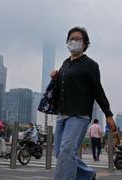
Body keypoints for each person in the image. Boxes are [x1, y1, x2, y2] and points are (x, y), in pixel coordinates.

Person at [50, 26, 119, 180]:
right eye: (71, 38)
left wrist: (108, 114)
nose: (74, 41)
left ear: (85, 44)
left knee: (67, 151)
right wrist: (56, 75)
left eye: (78, 39)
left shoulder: (90, 65)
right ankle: (88, 174)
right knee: (60, 153)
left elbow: (97, 90)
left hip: (79, 114)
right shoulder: (65, 63)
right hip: (62, 114)